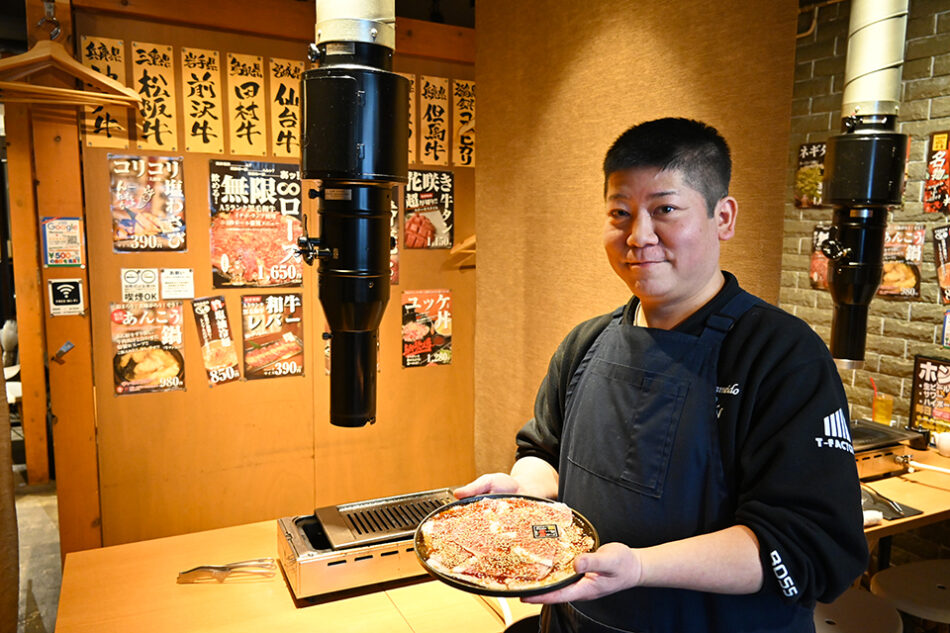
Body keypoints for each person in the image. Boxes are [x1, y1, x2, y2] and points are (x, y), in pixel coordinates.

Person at [455, 117, 868, 632]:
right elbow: (543, 452)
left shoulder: (782, 355)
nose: (638, 236)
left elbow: (808, 544)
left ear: (724, 217)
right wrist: (524, 497)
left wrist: (640, 568)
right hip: (575, 622)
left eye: (665, 210)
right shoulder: (586, 342)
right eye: (620, 213)